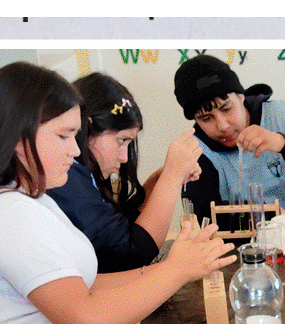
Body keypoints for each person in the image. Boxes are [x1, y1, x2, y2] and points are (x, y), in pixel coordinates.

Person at [0, 61, 231, 324]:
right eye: (64, 136)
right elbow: (86, 320)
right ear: (18, 137)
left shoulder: (26, 199)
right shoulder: (5, 215)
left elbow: (83, 284)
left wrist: (167, 269)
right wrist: (175, 271)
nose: (76, 152)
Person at [172, 54, 285, 232]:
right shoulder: (196, 151)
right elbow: (202, 217)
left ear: (241, 96)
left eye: (227, 108)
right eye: (206, 118)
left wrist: (284, 142)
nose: (222, 126)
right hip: (240, 251)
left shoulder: (282, 116)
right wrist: (269, 216)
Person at [46, 72, 201, 274]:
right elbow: (131, 253)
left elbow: (123, 228)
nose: (125, 157)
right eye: (121, 140)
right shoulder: (67, 177)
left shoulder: (82, 174)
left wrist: (163, 179)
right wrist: (171, 177)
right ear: (88, 127)